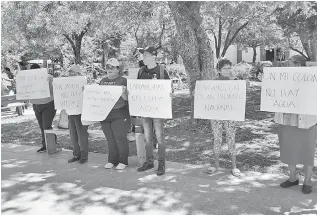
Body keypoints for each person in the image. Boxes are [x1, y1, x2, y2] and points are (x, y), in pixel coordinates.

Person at [276, 55, 317, 194]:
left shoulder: (311, 78)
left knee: (307, 151)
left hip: (306, 122)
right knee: (289, 150)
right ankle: (293, 178)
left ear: (298, 65)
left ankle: (307, 180)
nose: (286, 65)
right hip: (287, 120)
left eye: (289, 63)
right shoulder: (282, 78)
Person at [135, 46, 171, 176]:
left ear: (153, 56)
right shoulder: (140, 71)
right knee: (148, 137)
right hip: (145, 110)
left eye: (145, 55)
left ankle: (161, 163)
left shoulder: (162, 71)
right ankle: (149, 161)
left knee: (160, 137)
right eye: (143, 55)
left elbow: (168, 90)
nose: (143, 58)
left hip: (158, 110)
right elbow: (137, 89)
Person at [205, 59, 241, 177]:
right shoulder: (213, 83)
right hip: (216, 116)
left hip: (230, 116)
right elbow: (206, 96)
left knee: (231, 139)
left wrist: (246, 86)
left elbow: (241, 96)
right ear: (219, 70)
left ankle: (234, 167)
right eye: (225, 68)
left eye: (229, 68)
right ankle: (216, 166)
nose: (227, 70)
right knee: (217, 139)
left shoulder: (235, 83)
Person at [99, 58, 130, 170]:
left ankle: (123, 161)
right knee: (110, 139)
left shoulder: (123, 80)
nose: (109, 70)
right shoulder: (102, 81)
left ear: (118, 69)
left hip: (120, 113)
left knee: (120, 138)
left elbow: (129, 99)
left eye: (112, 67)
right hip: (105, 114)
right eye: (107, 67)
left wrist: (123, 94)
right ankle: (112, 160)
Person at [28, 63, 57, 152]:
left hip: (48, 104)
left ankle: (50, 144)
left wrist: (47, 84)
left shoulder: (48, 77)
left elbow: (55, 91)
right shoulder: (28, 79)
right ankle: (46, 145)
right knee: (42, 126)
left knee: (46, 126)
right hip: (36, 105)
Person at [66, 65, 89, 164]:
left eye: (73, 72)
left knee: (82, 136)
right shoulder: (66, 83)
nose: (71, 74)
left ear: (78, 73)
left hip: (80, 113)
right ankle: (76, 154)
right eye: (70, 72)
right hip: (70, 113)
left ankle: (84, 156)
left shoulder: (82, 81)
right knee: (73, 136)